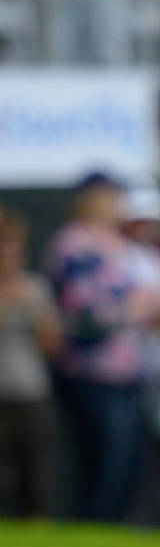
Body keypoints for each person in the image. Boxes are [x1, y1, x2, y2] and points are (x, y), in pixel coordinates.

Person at [44, 172, 154, 521]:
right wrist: (133, 309)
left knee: (126, 465)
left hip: (129, 372)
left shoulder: (118, 244)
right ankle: (93, 526)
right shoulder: (74, 243)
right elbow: (82, 314)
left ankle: (113, 528)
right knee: (102, 464)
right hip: (92, 373)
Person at [0, 208, 62, 517]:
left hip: (31, 389)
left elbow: (51, 346)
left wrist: (35, 314)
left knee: (35, 469)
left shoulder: (35, 289)